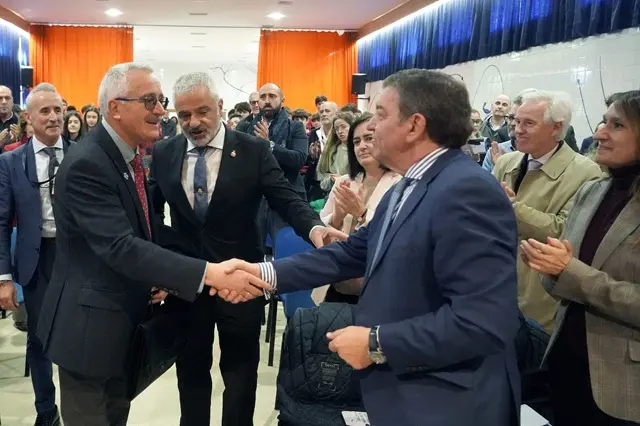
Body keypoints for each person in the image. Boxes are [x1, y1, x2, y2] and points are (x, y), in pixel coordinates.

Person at [224, 69, 521, 426]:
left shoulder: (467, 191)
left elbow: (483, 321)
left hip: (448, 402)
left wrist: (376, 343)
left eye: (380, 115)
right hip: (406, 393)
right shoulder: (407, 184)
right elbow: (353, 252)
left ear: (414, 125)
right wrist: (262, 273)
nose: (370, 127)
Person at [35, 63, 272, 426]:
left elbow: (147, 229)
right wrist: (209, 272)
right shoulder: (89, 163)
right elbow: (121, 247)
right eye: (149, 100)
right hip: (89, 334)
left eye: (160, 100)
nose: (161, 110)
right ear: (115, 107)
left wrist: (182, 268)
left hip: (119, 329)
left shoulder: (124, 157)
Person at [149, 72, 342, 426]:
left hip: (242, 281)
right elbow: (150, 210)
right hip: (188, 281)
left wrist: (315, 229)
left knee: (239, 375)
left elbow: (286, 198)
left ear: (220, 106)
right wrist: (162, 257)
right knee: (190, 372)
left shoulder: (253, 150)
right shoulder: (164, 151)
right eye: (185, 115)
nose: (194, 123)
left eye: (202, 112)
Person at [521, 90, 640, 426]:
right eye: (603, 122)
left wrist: (569, 271)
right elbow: (562, 276)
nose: (599, 133)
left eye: (617, 125)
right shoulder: (593, 192)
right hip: (566, 367)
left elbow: (574, 273)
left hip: (623, 388)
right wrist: (546, 265)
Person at [492, 90, 602, 332]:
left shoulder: (586, 173)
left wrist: (511, 208)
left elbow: (565, 231)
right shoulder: (506, 162)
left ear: (556, 127)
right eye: (516, 121)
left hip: (540, 296)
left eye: (528, 123)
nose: (517, 130)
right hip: (495, 284)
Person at [0, 83, 76, 426]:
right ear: (28, 118)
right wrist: (4, 278)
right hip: (36, 260)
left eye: (58, 109)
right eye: (45, 111)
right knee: (39, 338)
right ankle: (46, 410)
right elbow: (2, 222)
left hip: (77, 259)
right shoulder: (10, 162)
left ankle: (78, 408)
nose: (54, 117)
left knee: (78, 337)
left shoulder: (82, 155)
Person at [314, 112, 400, 304]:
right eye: (356, 141)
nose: (362, 146)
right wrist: (337, 217)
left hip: (377, 285)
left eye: (369, 138)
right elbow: (321, 231)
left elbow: (397, 234)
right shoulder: (345, 182)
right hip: (337, 280)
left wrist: (362, 213)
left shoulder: (400, 183)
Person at [316, 112, 354, 192]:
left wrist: (343, 179)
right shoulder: (331, 151)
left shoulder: (359, 149)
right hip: (334, 193)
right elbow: (322, 180)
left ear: (352, 126)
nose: (340, 131)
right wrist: (331, 179)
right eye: (336, 129)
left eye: (343, 127)